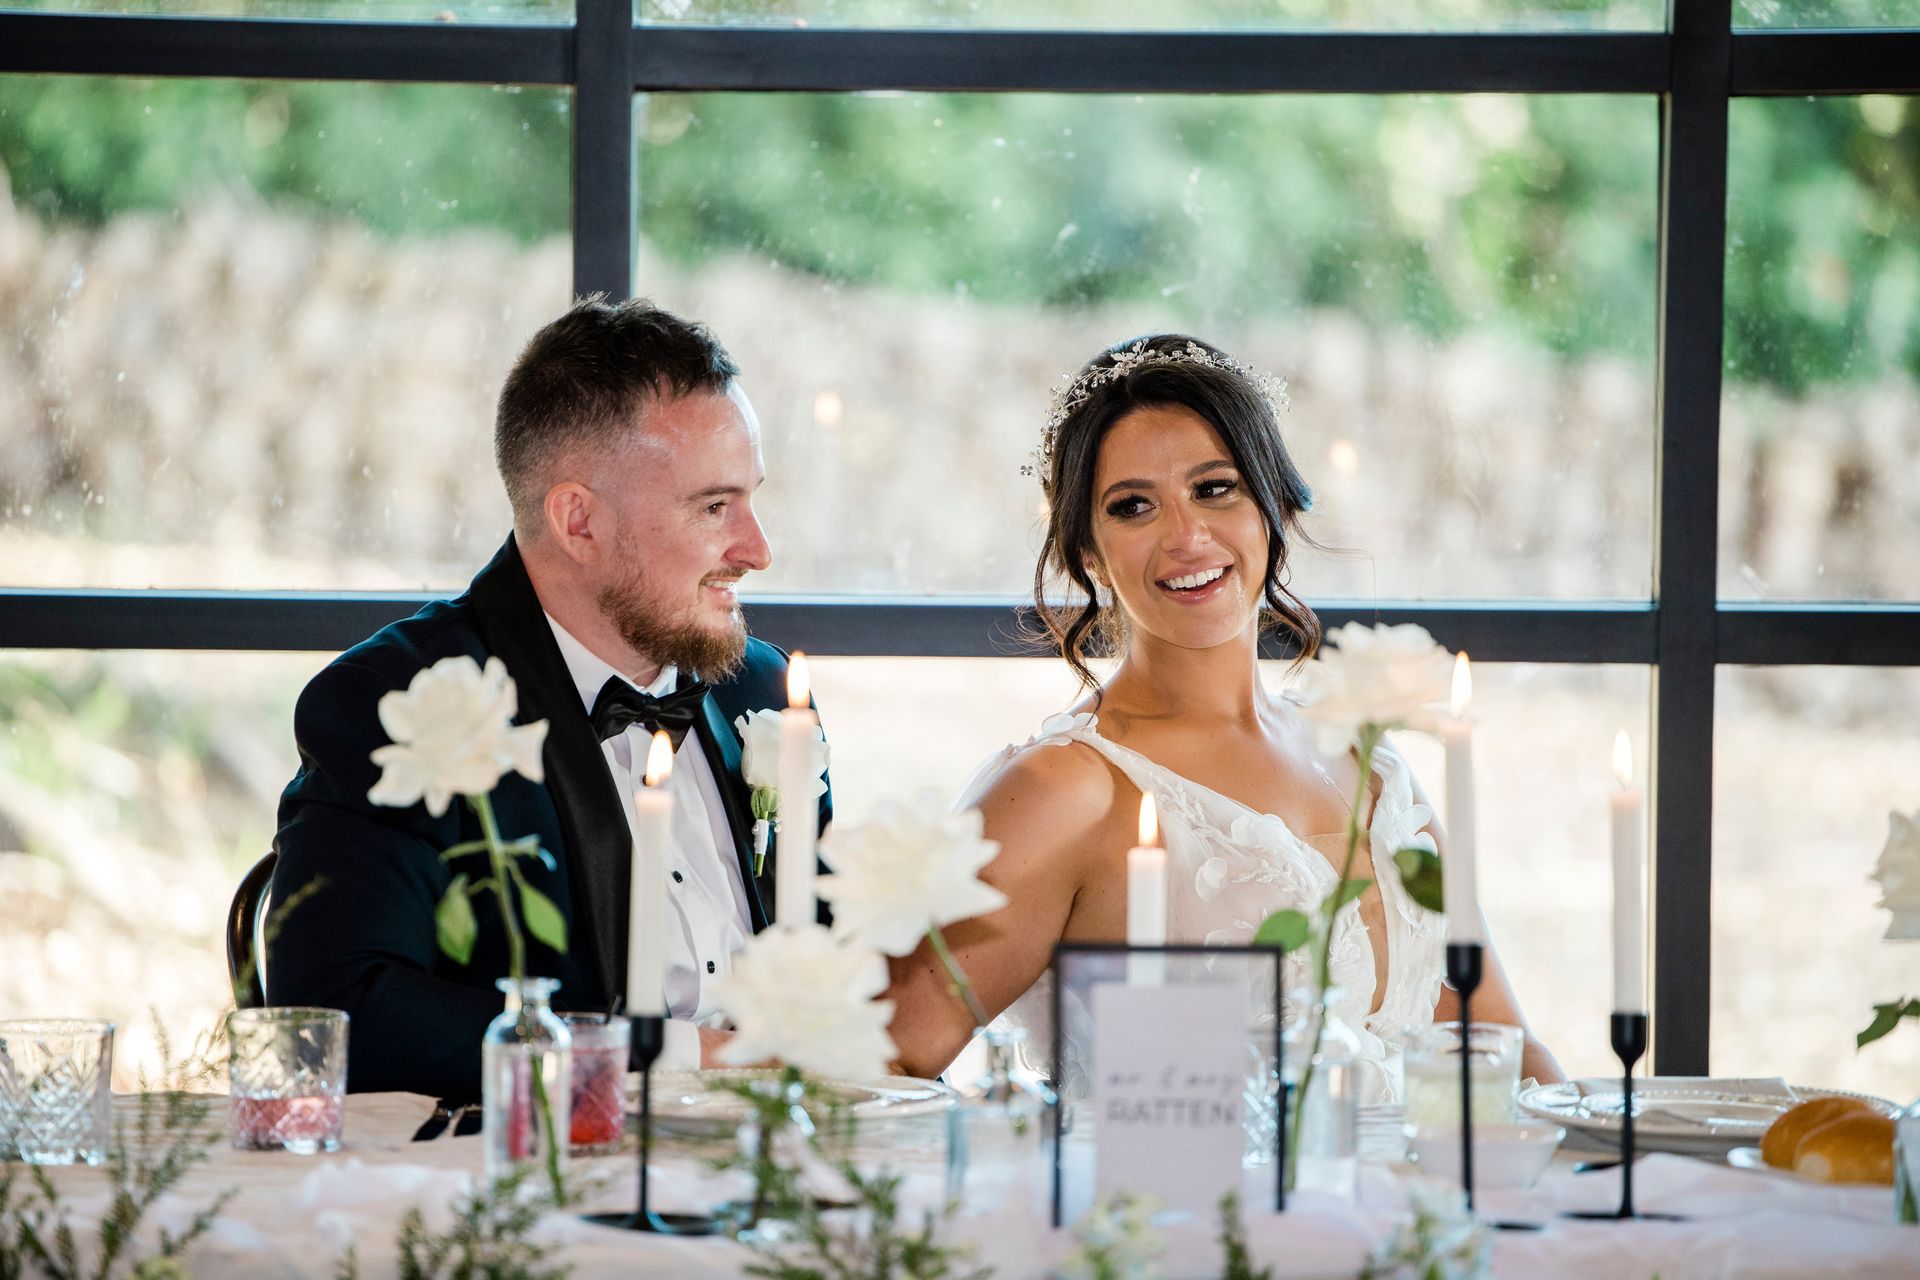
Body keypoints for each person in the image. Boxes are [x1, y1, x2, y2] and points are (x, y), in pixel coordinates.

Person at [884, 333, 1561, 1092]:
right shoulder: (1061, 792)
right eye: (1134, 506)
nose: (1186, 536)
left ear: (1272, 504)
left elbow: (1510, 1056)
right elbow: (878, 1066)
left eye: (1215, 488)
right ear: (1087, 553)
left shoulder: (1367, 759)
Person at [267, 297, 827, 1101]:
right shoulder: (405, 704)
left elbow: (836, 963)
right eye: (714, 507)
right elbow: (341, 1013)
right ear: (577, 520)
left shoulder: (765, 696)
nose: (758, 550)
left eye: (751, 498)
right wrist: (679, 1057)